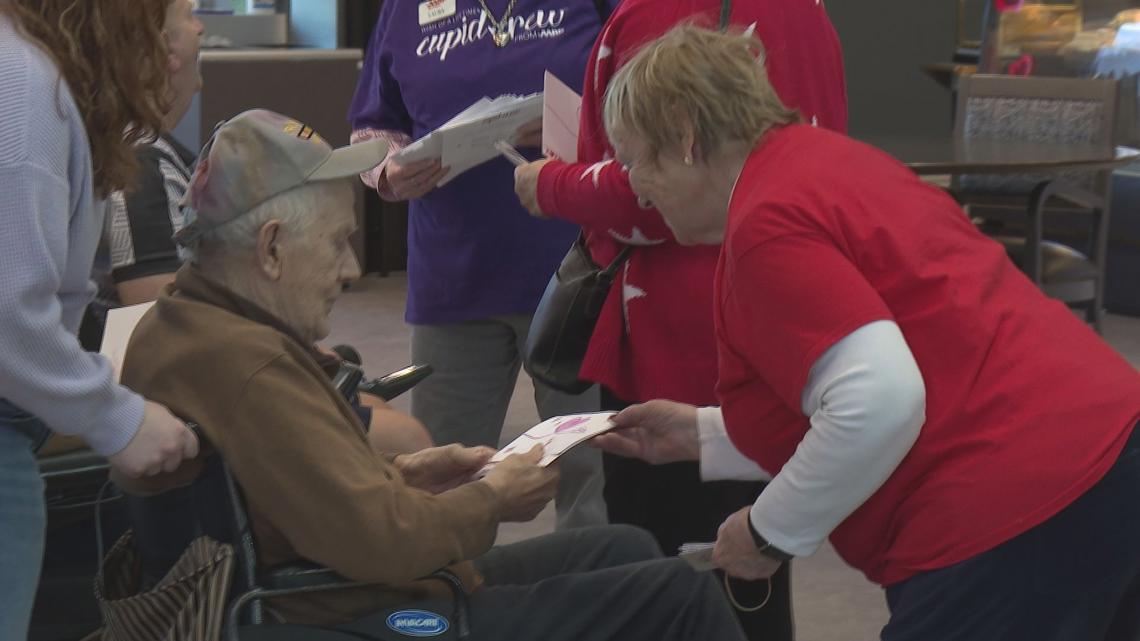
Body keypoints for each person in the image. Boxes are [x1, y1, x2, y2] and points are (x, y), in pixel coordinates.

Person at [115, 109, 749, 641]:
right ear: (272, 248)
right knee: (681, 594)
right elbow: (383, 543)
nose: (352, 270)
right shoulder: (253, 366)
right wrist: (494, 499)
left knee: (626, 547)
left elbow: (279, 495)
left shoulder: (186, 326)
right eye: (338, 243)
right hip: (350, 610)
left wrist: (403, 474)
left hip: (322, 585)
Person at [594, 24, 1140, 641]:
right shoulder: (826, 161)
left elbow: (878, 401)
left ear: (685, 134)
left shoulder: (766, 224)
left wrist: (768, 531)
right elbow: (890, 364)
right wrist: (706, 435)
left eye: (634, 157)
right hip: (1106, 451)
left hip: (1011, 507)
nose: (633, 182)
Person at [510, 0, 846, 636]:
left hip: (679, 336)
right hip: (773, 325)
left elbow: (656, 187)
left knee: (675, 569)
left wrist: (554, 184)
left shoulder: (658, 16)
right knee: (748, 572)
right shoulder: (809, 13)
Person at [78, 1, 430, 454]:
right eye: (187, 14)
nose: (201, 23)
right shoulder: (141, 162)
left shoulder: (142, 150)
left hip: (207, 374)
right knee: (404, 439)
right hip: (194, 395)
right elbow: (164, 318)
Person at [347, 0, 618, 530]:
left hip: (578, 270)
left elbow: (643, 103)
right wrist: (388, 171)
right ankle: (452, 607)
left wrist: (575, 123)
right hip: (453, 275)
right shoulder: (405, 8)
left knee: (593, 472)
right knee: (447, 474)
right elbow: (373, 125)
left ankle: (598, 601)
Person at [0, 1, 201, 637]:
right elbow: (7, 311)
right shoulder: (27, 85)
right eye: (168, 19)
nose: (177, 47)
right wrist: (115, 416)